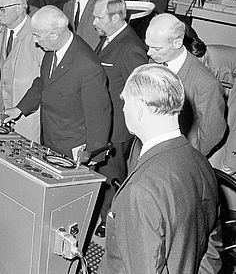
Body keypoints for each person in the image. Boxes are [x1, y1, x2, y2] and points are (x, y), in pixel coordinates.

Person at [100, 64, 218, 274]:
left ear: (138, 108)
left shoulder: (140, 190)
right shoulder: (202, 164)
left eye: (125, 102)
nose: (124, 108)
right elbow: (212, 247)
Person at [3, 5, 111, 161]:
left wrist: (92, 153)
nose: (35, 41)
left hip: (74, 148)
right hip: (51, 138)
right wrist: (20, 108)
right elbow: (43, 83)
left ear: (54, 34)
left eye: (37, 36)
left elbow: (98, 115)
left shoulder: (88, 66)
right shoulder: (53, 49)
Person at [91, 0, 148, 238]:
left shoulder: (131, 47)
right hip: (103, 121)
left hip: (116, 128)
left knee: (112, 176)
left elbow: (137, 92)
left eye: (99, 18)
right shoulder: (108, 38)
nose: (94, 22)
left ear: (116, 18)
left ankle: (110, 221)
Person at [144, 14, 225, 157]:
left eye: (156, 48)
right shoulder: (153, 63)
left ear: (177, 43)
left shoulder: (206, 84)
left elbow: (212, 134)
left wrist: (187, 159)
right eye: (148, 46)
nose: (149, 53)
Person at [0, 0, 44, 141]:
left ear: (20, 7)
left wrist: (22, 107)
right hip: (3, 110)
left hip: (27, 115)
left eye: (2, 9)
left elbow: (45, 80)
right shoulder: (3, 31)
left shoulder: (38, 35)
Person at [184, 33, 236, 174]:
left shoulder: (213, 65)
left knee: (231, 121)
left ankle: (230, 163)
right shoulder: (203, 55)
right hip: (230, 76)